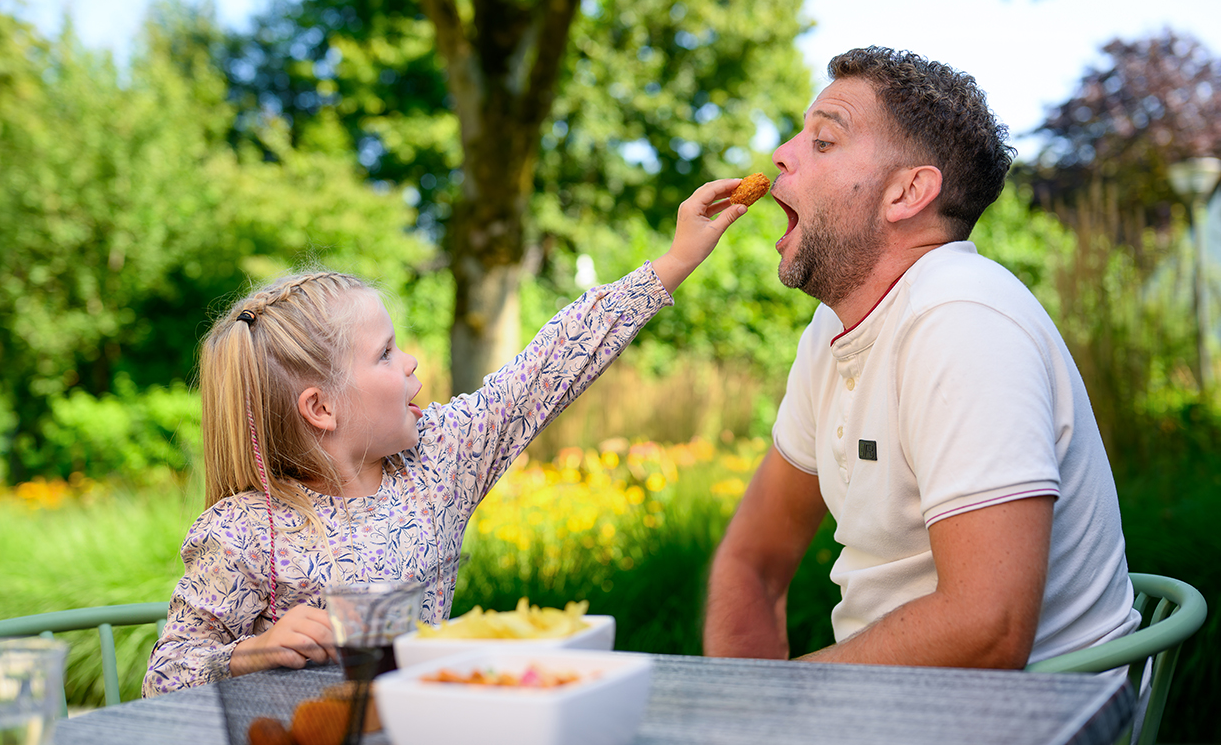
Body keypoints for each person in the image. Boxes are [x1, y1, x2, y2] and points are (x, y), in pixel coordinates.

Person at [143, 181, 748, 696]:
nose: (409, 363)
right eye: (385, 354)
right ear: (321, 408)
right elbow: (164, 678)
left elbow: (547, 366)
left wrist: (673, 261)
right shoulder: (242, 530)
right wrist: (249, 653)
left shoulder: (436, 462)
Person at [703, 47, 1139, 670]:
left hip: (1036, 721)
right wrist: (737, 712)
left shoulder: (962, 319)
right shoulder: (834, 330)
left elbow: (987, 630)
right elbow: (752, 560)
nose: (782, 154)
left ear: (908, 191)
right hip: (898, 710)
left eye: (823, 141)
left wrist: (782, 699)